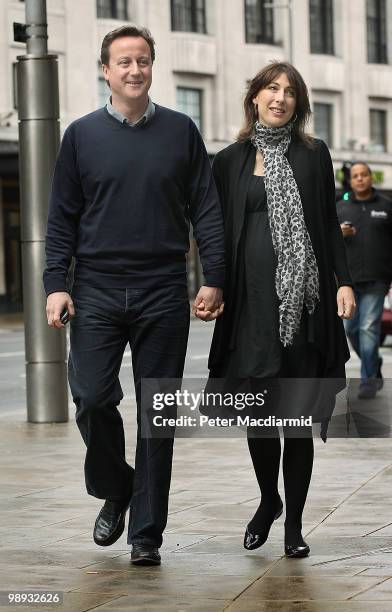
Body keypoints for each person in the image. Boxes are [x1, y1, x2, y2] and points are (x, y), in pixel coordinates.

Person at [43, 25, 225, 566]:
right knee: (93, 399)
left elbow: (207, 210)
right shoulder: (80, 135)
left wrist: (212, 277)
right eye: (123, 61)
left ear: (152, 67)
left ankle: (146, 533)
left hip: (163, 289)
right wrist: (57, 284)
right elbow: (61, 220)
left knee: (157, 415)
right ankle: (118, 487)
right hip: (95, 288)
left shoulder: (181, 131)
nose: (134, 70)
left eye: (143, 60)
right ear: (106, 70)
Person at [197, 62, 355, 559]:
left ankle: (295, 527)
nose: (280, 98)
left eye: (289, 92)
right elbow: (214, 232)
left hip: (304, 309)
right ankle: (269, 500)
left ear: (299, 104)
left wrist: (344, 282)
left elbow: (328, 224)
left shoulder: (313, 155)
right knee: (260, 418)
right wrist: (213, 283)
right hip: (250, 311)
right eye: (271, 88)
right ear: (254, 98)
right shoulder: (228, 161)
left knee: (296, 419)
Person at [337, 162, 392, 399]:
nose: (359, 179)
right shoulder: (340, 207)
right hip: (348, 281)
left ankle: (368, 382)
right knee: (352, 329)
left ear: (371, 178)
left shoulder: (387, 207)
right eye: (355, 176)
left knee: (369, 328)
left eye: (364, 175)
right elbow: (327, 241)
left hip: (378, 279)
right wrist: (339, 232)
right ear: (350, 180)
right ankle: (374, 366)